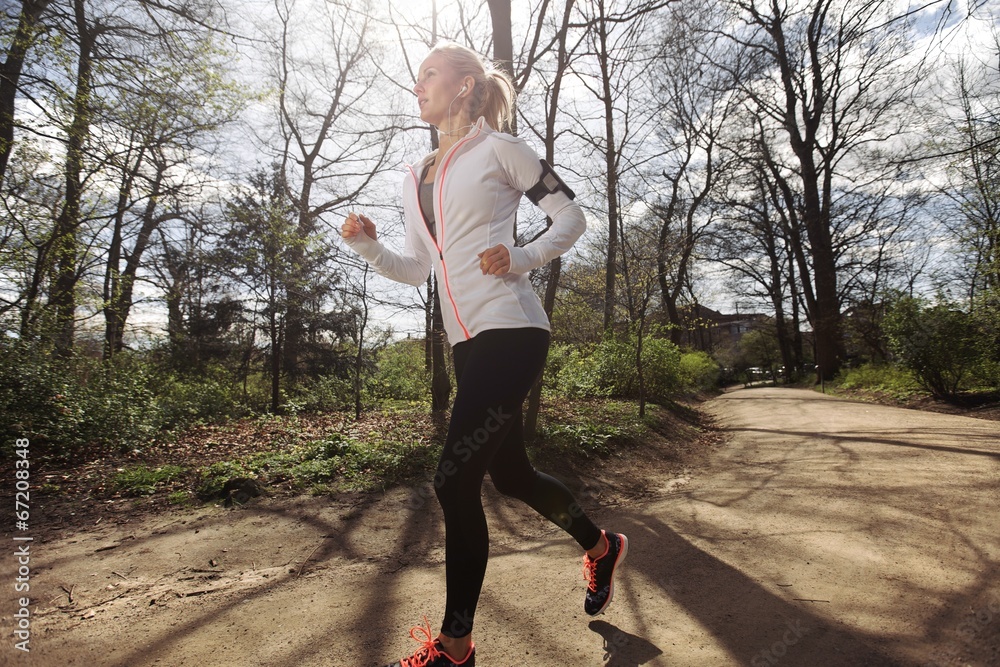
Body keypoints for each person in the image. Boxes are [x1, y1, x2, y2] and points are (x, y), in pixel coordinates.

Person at [341, 41, 628, 667]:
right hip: (466, 343)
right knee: (512, 475)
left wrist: (522, 256)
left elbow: (570, 218)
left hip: (513, 328)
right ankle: (602, 546)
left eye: (429, 75)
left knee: (453, 479)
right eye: (416, 77)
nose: (417, 86)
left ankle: (455, 647)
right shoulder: (414, 177)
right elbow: (418, 270)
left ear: (465, 86)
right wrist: (367, 244)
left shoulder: (501, 149)